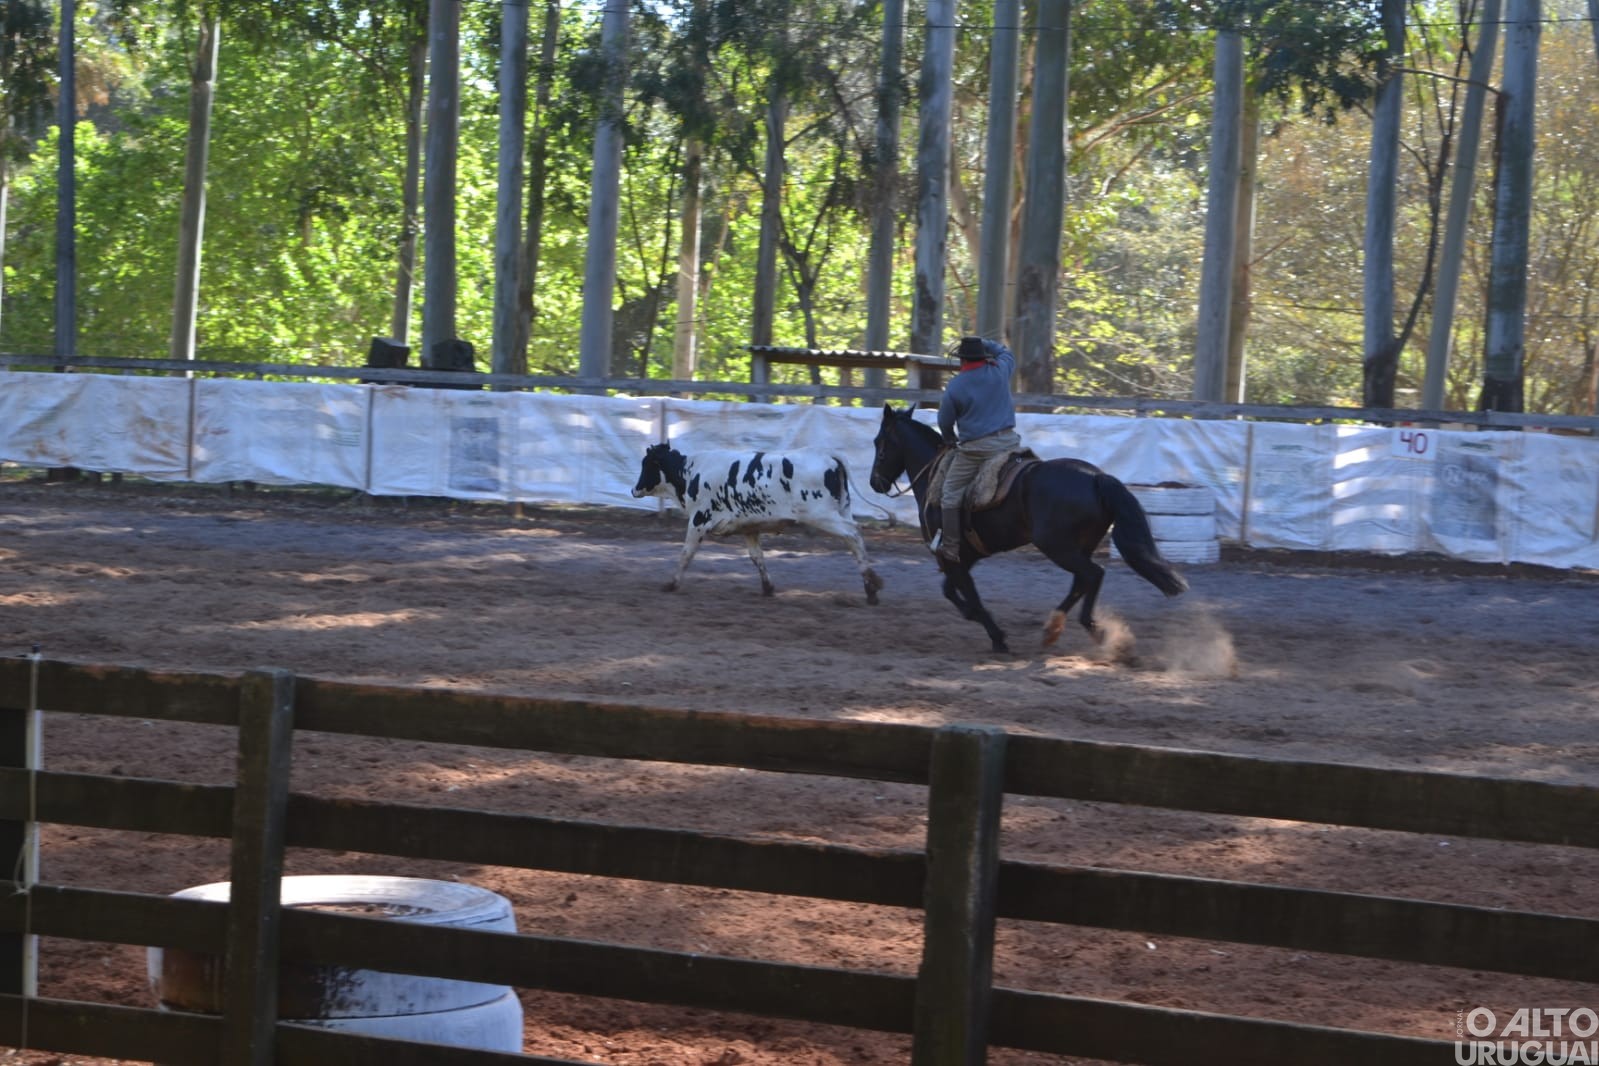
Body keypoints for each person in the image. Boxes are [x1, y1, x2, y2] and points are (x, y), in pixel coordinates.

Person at [933, 335, 1022, 562]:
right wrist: (987, 342)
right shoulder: (999, 370)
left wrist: (949, 438)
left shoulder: (955, 385)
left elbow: (944, 421)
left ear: (962, 360)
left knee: (950, 493)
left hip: (977, 449)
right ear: (984, 356)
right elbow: (1006, 352)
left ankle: (952, 548)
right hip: (1009, 442)